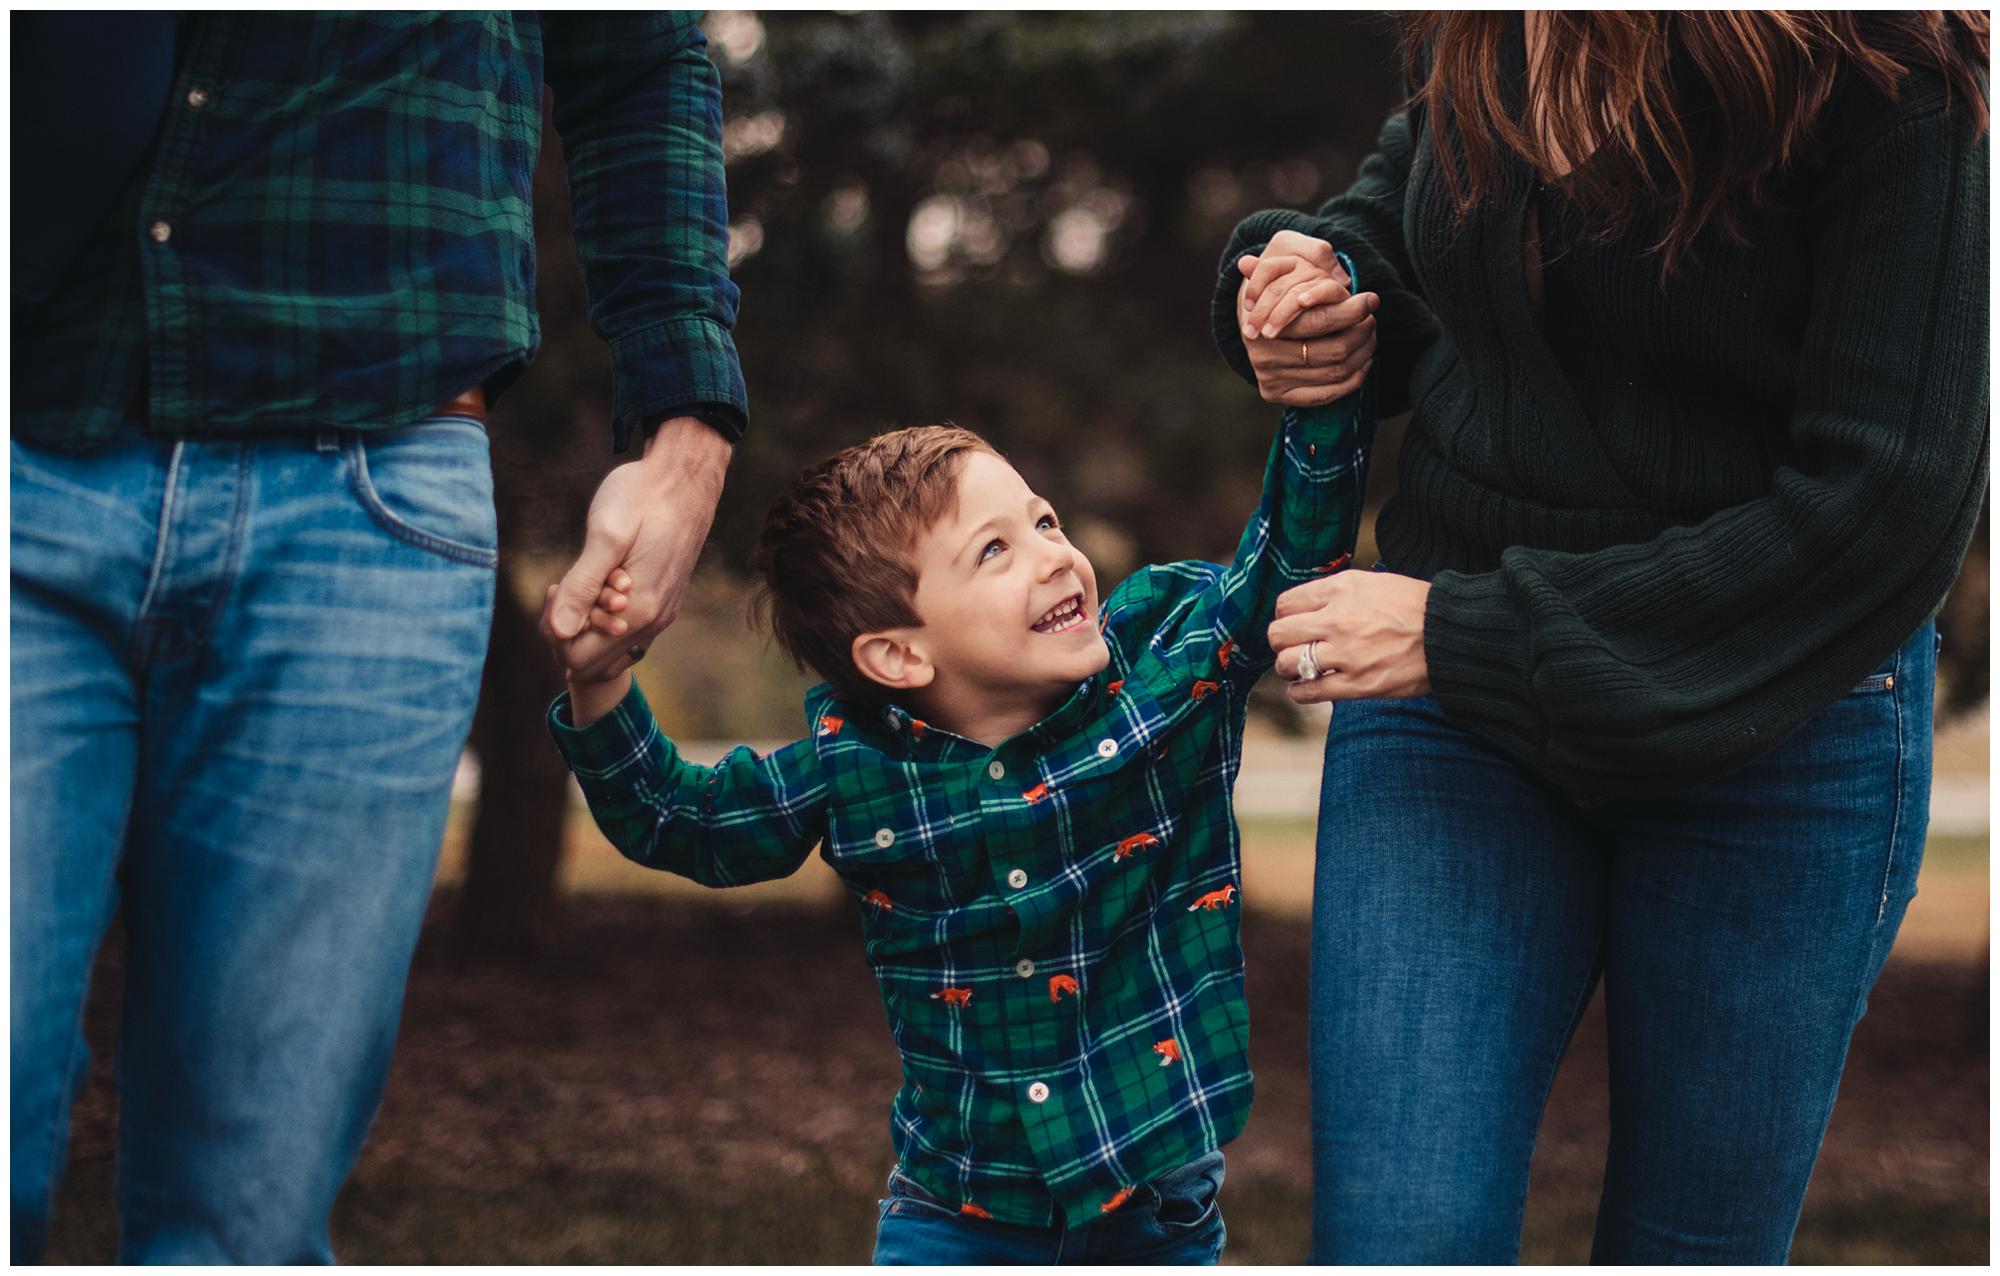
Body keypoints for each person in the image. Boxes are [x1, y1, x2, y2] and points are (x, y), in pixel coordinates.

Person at [1210, 11, 1988, 1264]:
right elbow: (1420, 229)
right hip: (1454, 731)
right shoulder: (1478, 36)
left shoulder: (1888, 73)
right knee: (1397, 1240)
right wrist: (1320, 280)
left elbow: (1886, 506)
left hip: (1775, 733)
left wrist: (1464, 630)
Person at [11, 13, 744, 1263]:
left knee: (243, 1218)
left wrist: (687, 431)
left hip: (372, 493)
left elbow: (640, 59)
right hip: (33, 440)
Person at [544, 319, 1367, 1264]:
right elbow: (681, 820)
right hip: (952, 1219)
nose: (1055, 554)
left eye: (1044, 520)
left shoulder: (1165, 676)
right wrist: (600, 678)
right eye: (995, 551)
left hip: (1152, 1212)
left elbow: (1290, 571)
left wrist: (1322, 396)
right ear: (898, 654)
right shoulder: (853, 765)